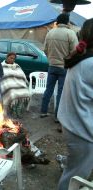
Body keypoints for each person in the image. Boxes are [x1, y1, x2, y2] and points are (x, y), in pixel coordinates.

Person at [57, 18, 93, 190]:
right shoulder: (90, 63)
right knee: (75, 178)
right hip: (82, 130)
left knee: (74, 170)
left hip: (73, 124)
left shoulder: (81, 59)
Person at [40, 13, 78, 122]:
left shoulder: (50, 33)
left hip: (52, 66)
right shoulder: (70, 33)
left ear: (57, 21)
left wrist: (51, 60)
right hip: (64, 68)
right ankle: (57, 117)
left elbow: (45, 50)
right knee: (61, 92)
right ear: (67, 22)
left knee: (48, 89)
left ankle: (43, 111)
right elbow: (74, 52)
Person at [0, 52, 30, 118]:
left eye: (13, 59)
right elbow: (3, 78)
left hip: (19, 83)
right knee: (12, 93)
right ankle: (13, 111)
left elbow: (22, 76)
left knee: (25, 92)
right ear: (7, 57)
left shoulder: (17, 65)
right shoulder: (2, 65)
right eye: (11, 58)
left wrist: (23, 83)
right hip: (9, 85)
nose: (12, 60)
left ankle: (18, 111)